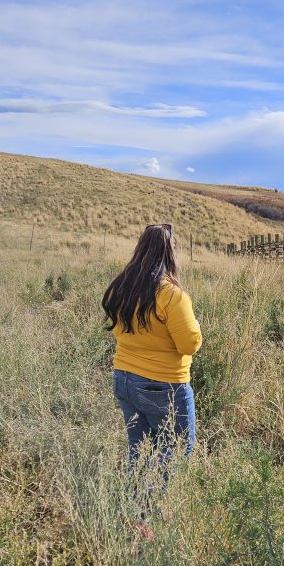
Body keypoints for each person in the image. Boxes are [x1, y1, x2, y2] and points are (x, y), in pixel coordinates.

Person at [102, 223, 202, 523]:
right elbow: (189, 343)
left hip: (123, 379)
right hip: (164, 385)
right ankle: (148, 515)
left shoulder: (123, 286)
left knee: (141, 450)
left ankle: (134, 510)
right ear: (171, 252)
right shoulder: (172, 295)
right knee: (178, 448)